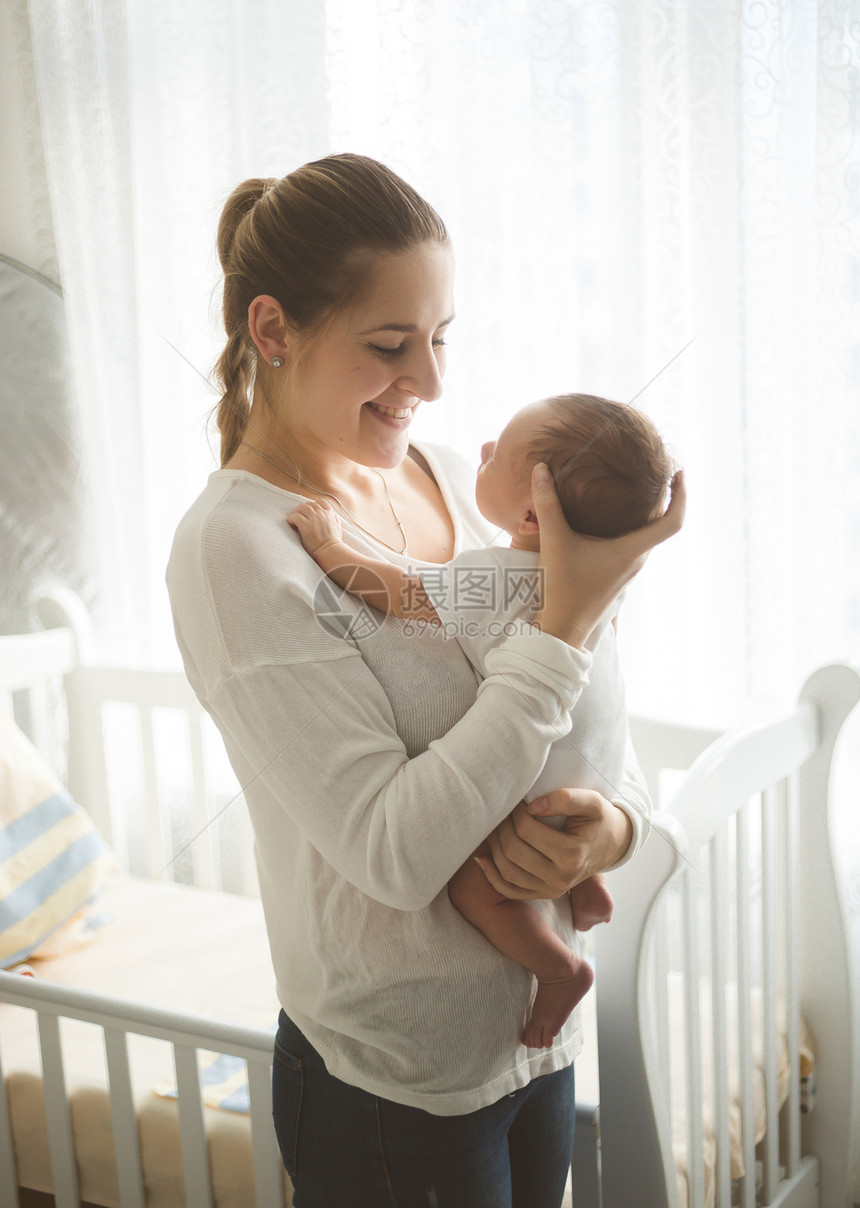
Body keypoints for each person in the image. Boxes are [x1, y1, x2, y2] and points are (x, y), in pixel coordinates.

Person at [166, 153, 685, 1208]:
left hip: (539, 1045)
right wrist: (567, 622)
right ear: (273, 332)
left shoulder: (451, 474)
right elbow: (396, 855)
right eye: (391, 344)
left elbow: (597, 733)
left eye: (441, 338)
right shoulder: (239, 552)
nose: (435, 382)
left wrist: (613, 830)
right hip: (395, 1088)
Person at [287, 392, 675, 1050]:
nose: (483, 452)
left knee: (474, 880)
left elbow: (399, 590)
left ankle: (557, 968)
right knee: (568, 771)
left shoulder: (496, 577)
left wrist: (330, 547)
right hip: (597, 775)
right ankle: (587, 890)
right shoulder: (597, 587)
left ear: (531, 511)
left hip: (543, 782)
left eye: (500, 454)